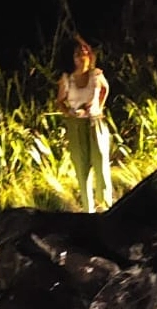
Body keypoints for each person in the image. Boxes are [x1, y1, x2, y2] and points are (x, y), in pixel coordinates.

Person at [56, 36, 113, 213]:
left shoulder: (96, 75)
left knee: (101, 162)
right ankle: (89, 210)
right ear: (72, 58)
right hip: (77, 125)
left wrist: (99, 106)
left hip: (95, 122)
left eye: (85, 52)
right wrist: (69, 113)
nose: (82, 56)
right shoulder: (67, 79)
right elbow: (59, 101)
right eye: (77, 54)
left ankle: (107, 205)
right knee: (82, 167)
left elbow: (105, 89)